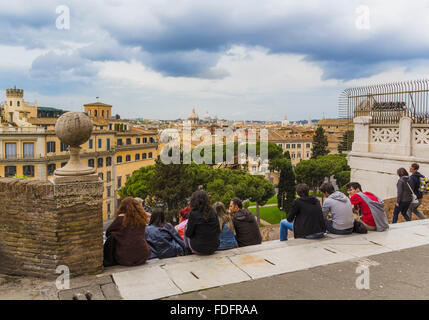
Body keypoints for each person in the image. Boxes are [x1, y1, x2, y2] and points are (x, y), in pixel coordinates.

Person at [104, 197, 151, 266]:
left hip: (125, 258)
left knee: (112, 236)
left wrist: (118, 235)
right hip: (143, 255)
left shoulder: (120, 218)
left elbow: (108, 232)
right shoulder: (141, 219)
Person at [184, 190, 220, 255]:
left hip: (198, 248)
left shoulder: (193, 214)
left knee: (186, 226)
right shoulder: (213, 212)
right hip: (214, 247)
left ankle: (187, 250)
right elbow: (218, 231)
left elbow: (188, 234)